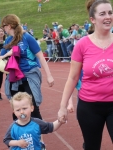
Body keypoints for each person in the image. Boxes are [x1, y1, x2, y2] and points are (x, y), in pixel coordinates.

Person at [58, 0, 113, 150]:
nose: (108, 16)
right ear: (92, 19)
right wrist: (63, 106)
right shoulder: (82, 45)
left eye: (110, 12)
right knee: (91, 146)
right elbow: (73, 77)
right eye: (103, 14)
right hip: (89, 106)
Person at [0, 14, 54, 147]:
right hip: (14, 78)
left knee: (33, 109)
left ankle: (40, 142)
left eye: (4, 26)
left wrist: (49, 75)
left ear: (9, 26)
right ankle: (19, 141)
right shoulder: (8, 41)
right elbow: (2, 57)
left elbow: (40, 56)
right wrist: (5, 57)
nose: (3, 29)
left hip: (29, 76)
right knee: (16, 109)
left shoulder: (27, 37)